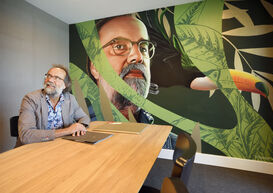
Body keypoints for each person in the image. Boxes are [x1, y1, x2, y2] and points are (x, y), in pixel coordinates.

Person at [88, 15, 176, 149]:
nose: (138, 56)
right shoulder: (71, 134)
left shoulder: (172, 146)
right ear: (95, 67)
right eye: (119, 46)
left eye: (144, 48)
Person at [18, 65, 90, 145]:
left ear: (65, 85)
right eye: (49, 76)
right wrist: (67, 131)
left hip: (61, 145)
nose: (50, 80)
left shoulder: (70, 98)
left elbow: (84, 117)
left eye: (57, 78)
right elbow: (26, 135)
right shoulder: (30, 99)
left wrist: (79, 126)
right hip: (35, 148)